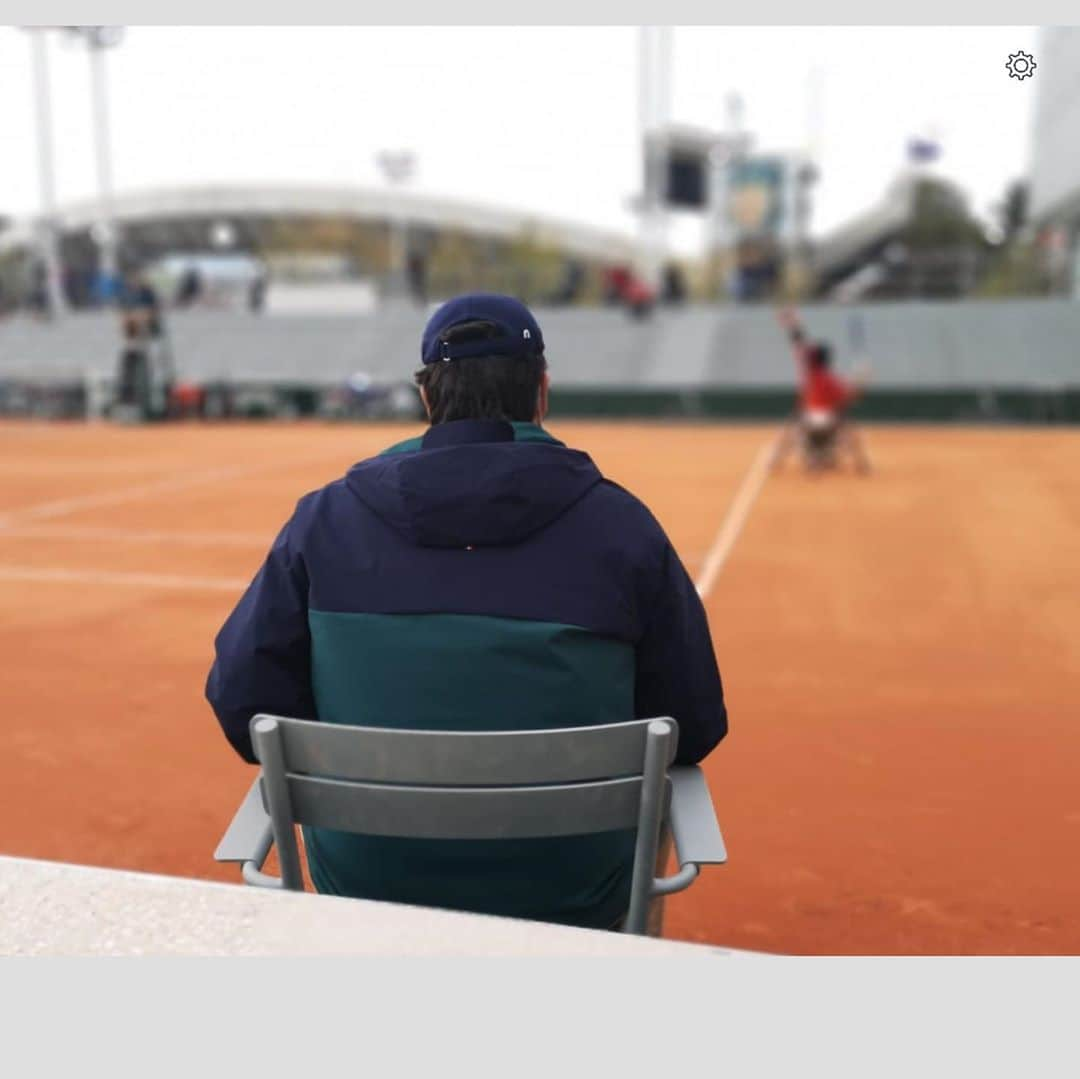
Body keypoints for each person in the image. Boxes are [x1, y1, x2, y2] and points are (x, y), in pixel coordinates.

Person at [206, 292, 728, 932]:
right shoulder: (624, 528)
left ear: (427, 397)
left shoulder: (322, 520)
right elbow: (693, 724)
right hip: (574, 894)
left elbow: (243, 706)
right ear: (541, 391)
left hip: (368, 885)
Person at [772, 306, 872, 473]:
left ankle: (782, 460)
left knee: (798, 414)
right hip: (829, 424)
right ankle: (859, 463)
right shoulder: (832, 380)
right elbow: (851, 397)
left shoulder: (808, 374)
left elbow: (799, 343)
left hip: (807, 422)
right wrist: (862, 384)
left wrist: (792, 322)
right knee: (842, 413)